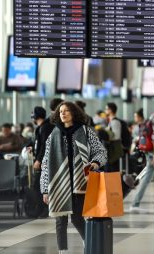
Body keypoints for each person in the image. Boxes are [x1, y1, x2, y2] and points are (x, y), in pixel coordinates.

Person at [40, 102, 108, 253]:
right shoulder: (54, 134)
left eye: (67, 111)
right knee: (60, 219)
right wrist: (45, 189)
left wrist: (95, 163)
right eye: (61, 111)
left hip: (81, 181)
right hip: (59, 182)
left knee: (77, 218)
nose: (63, 114)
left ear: (74, 113)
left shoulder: (85, 131)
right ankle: (62, 251)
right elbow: (46, 163)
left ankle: (88, 242)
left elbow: (101, 152)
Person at [104, 102, 123, 171]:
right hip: (112, 150)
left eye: (106, 109)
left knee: (113, 170)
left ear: (110, 110)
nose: (105, 111)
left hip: (114, 151)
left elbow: (117, 136)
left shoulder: (115, 122)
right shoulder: (111, 121)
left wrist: (107, 135)